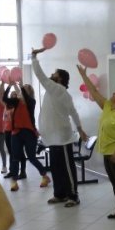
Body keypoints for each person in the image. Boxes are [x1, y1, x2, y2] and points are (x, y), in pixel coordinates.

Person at [78, 64, 115, 223]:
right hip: (108, 153)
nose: (113, 93)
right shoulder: (108, 107)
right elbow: (94, 92)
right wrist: (84, 76)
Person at [31, 47, 88, 207]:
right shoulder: (55, 91)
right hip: (53, 137)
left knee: (67, 167)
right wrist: (80, 128)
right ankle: (60, 194)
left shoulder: (56, 89)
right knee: (56, 167)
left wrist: (34, 57)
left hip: (61, 138)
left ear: (60, 79)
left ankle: (73, 195)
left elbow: (40, 75)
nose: (52, 75)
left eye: (55, 73)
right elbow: (74, 113)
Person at [3, 76, 50, 191]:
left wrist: (20, 85)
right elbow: (5, 98)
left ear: (28, 92)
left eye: (25, 89)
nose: (22, 90)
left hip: (29, 132)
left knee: (32, 157)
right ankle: (14, 181)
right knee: (15, 157)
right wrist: (9, 86)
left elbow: (26, 97)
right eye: (23, 88)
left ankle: (45, 176)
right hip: (16, 132)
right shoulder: (16, 102)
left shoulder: (31, 102)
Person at [0, 82, 26, 178]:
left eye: (15, 95)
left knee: (19, 152)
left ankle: (23, 172)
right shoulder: (6, 105)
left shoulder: (19, 106)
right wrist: (3, 84)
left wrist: (16, 85)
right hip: (7, 131)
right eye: (12, 95)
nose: (14, 96)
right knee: (11, 152)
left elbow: (21, 94)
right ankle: (12, 171)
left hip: (17, 131)